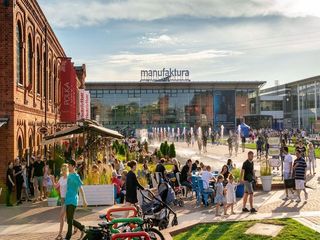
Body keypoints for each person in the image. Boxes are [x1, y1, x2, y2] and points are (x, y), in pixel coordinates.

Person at [65, 159, 88, 240]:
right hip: (68, 199)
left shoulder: (76, 176)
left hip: (73, 199)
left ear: (73, 166)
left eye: (69, 166)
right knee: (68, 220)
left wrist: (84, 200)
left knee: (70, 220)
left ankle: (67, 237)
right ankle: (82, 227)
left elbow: (80, 188)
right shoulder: (68, 175)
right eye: (68, 166)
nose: (68, 167)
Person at [55, 163, 68, 240]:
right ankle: (78, 227)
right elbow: (56, 186)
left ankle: (60, 234)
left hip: (68, 199)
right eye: (62, 169)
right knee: (67, 217)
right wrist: (53, 179)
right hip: (62, 199)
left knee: (61, 215)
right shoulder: (61, 178)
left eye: (64, 169)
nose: (63, 171)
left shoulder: (69, 178)